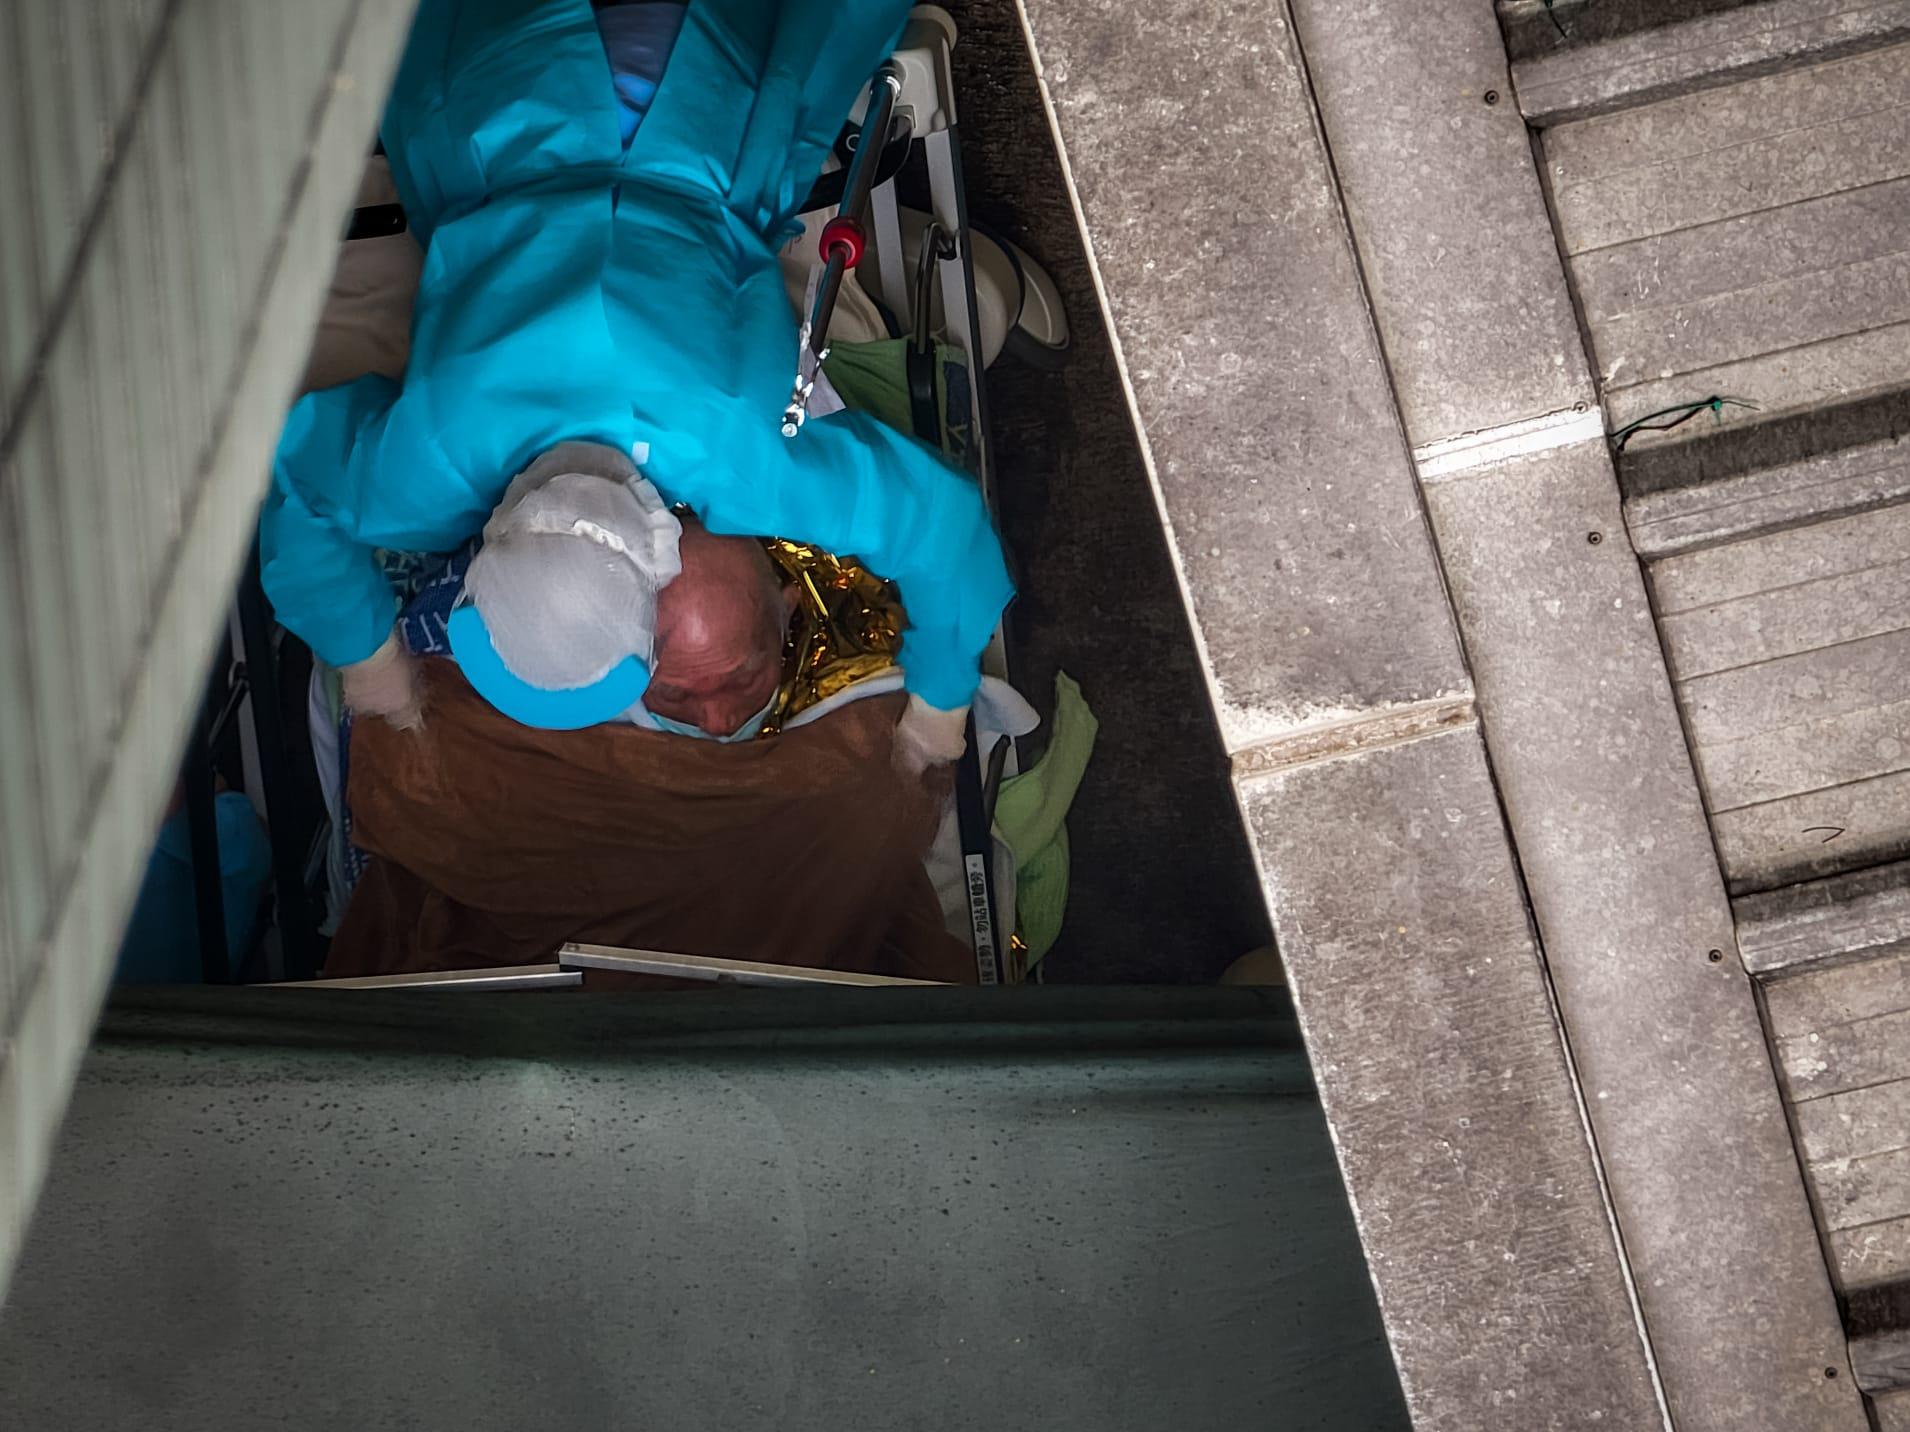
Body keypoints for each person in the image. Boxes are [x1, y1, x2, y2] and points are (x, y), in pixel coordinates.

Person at [262, 0, 1013, 769]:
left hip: (694, 102)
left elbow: (943, 525)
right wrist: (367, 657)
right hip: (503, 86)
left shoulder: (742, 460)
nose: (715, 720)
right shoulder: (428, 468)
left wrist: (939, 711)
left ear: (660, 566)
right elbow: (298, 481)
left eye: (675, 686)